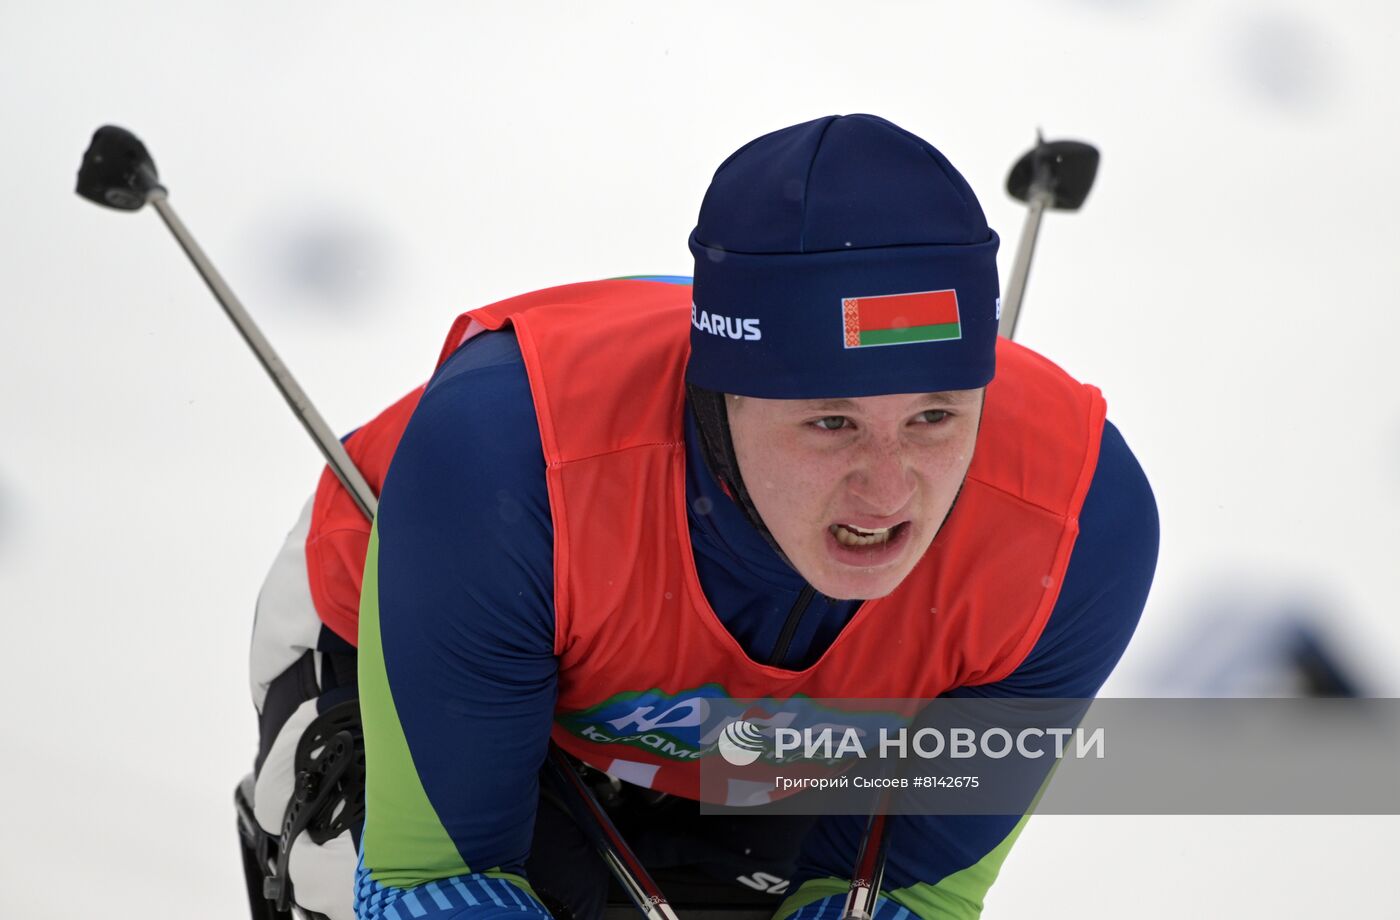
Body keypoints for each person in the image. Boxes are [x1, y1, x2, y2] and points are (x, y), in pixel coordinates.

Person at [244, 113, 1158, 920]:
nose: (888, 494)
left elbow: (911, 891)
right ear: (720, 395)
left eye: (934, 418)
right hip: (414, 628)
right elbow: (434, 879)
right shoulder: (507, 471)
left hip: (777, 744)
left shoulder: (1076, 525)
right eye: (830, 424)